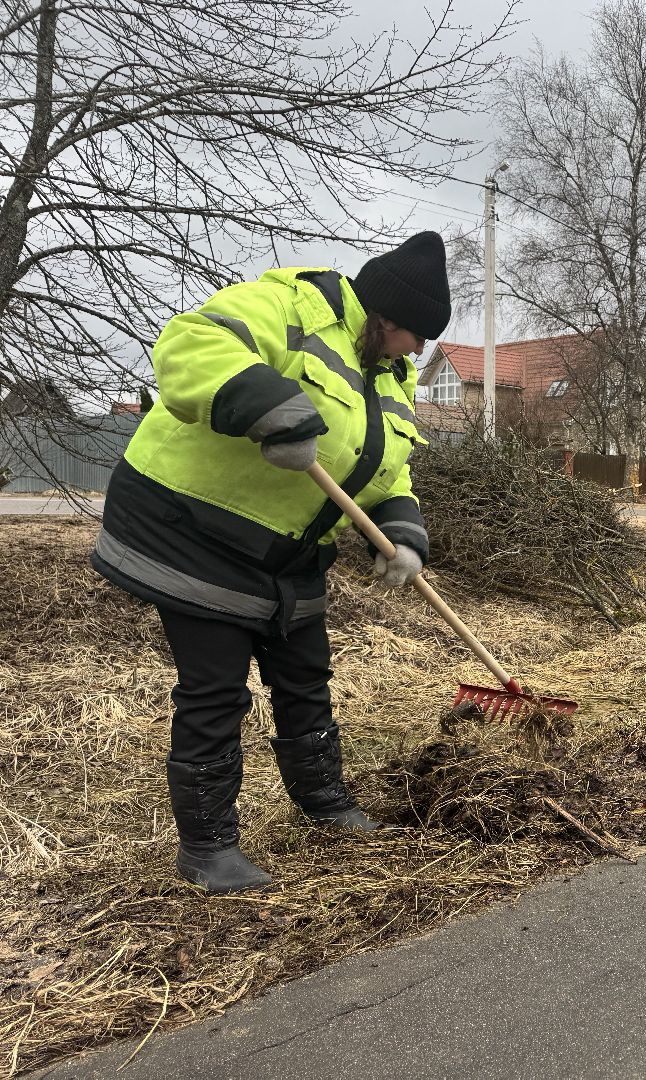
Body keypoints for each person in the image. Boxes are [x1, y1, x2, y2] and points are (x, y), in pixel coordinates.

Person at [92, 232, 450, 894]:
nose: (419, 353)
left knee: (306, 676)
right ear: (384, 318)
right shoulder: (292, 307)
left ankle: (324, 805)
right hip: (195, 530)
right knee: (217, 690)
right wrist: (266, 407)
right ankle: (207, 849)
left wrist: (402, 535)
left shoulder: (391, 377)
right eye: (415, 336)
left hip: (289, 551)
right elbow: (189, 346)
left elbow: (388, 473)